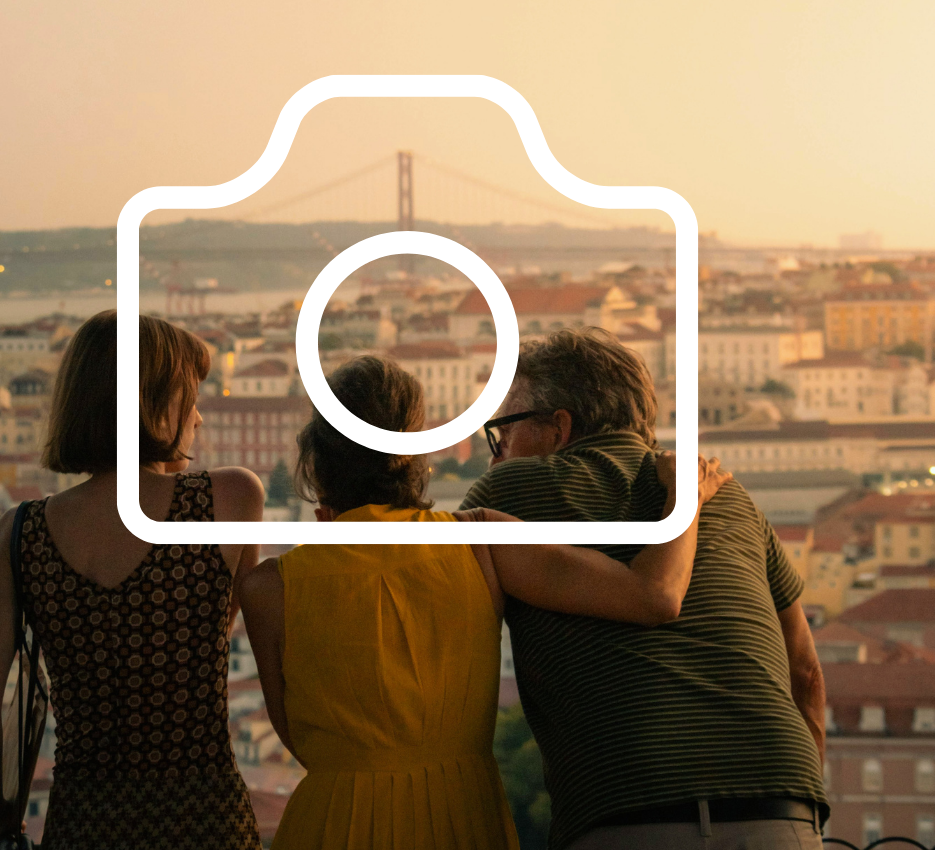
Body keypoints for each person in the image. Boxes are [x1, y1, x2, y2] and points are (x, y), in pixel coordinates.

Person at [239, 355, 728, 850]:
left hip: (331, 824)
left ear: (319, 460)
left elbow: (298, 739)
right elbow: (654, 595)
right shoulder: (480, 540)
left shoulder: (268, 588)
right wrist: (683, 498)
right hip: (458, 817)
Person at [462, 327, 828, 850]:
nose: (497, 454)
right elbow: (807, 673)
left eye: (503, 432)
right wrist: (805, 807)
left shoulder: (510, 489)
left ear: (559, 427)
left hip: (628, 812)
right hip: (782, 808)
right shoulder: (728, 497)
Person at [0, 310, 265, 850]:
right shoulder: (230, 498)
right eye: (190, 398)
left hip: (83, 826)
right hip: (206, 821)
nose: (198, 419)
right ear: (153, 404)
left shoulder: (20, 533)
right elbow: (217, 634)